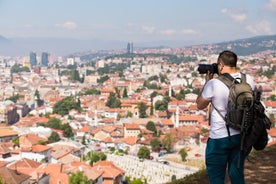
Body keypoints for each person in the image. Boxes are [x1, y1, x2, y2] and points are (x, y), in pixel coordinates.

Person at [196, 50, 255, 184]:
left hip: (219, 138)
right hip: (241, 136)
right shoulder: (248, 80)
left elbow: (199, 105)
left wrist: (207, 83)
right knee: (237, 175)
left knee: (216, 177)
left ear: (221, 65)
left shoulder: (214, 84)